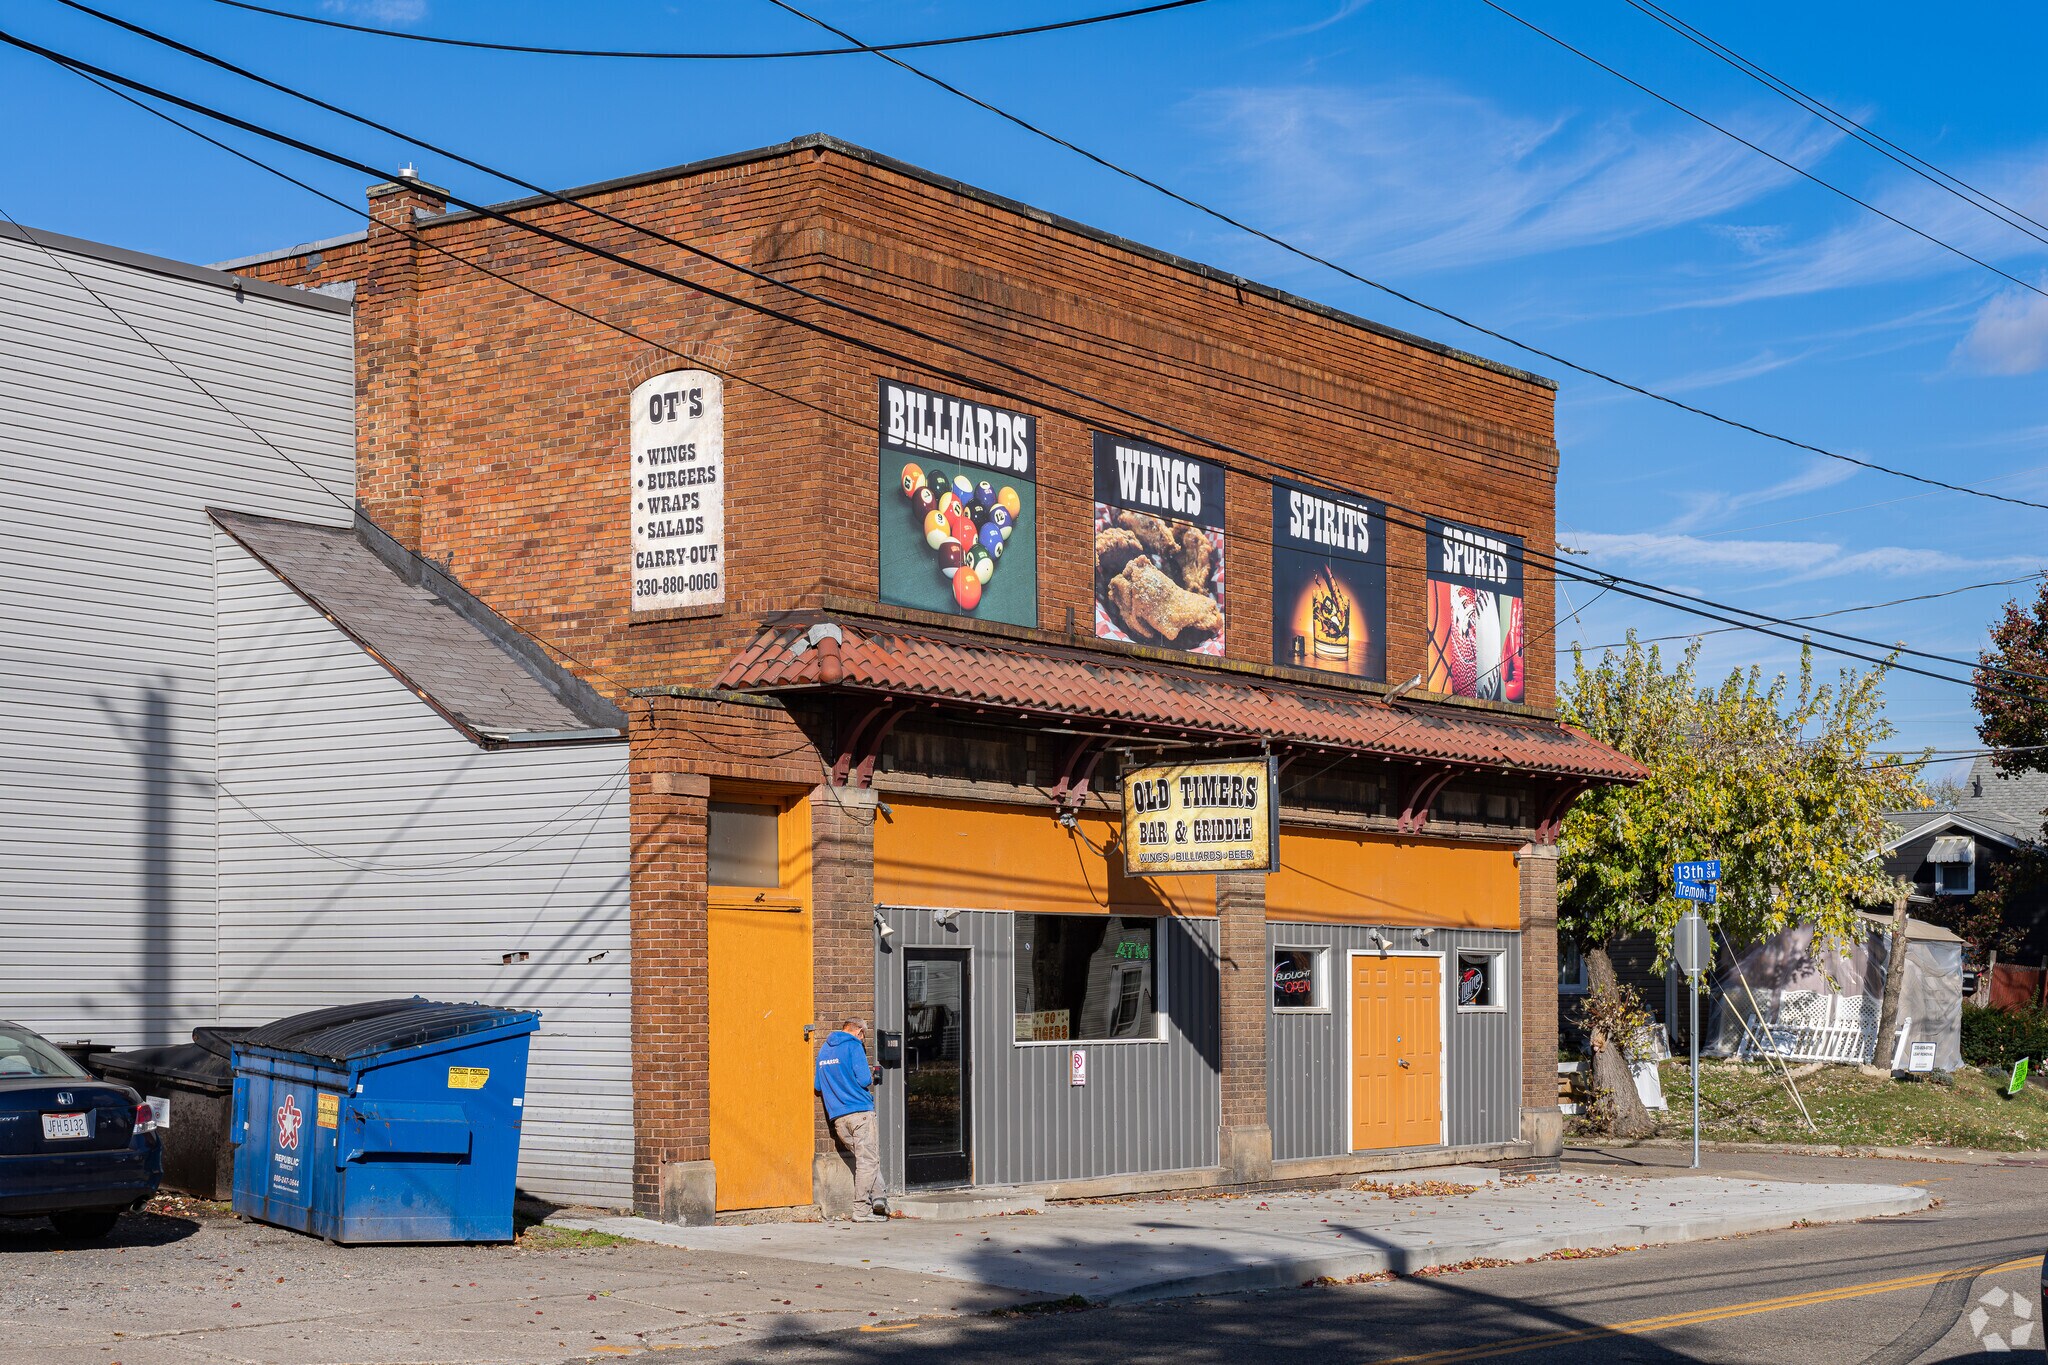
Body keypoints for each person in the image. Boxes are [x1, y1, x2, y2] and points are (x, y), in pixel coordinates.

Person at [814, 1016, 887, 1220]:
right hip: (860, 1114)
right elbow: (864, 1079)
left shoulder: (824, 1050)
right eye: (864, 1037)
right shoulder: (854, 1046)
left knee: (867, 1160)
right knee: (868, 1161)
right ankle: (861, 1210)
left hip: (838, 1118)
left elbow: (818, 1086)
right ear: (859, 1032)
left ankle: (880, 1198)